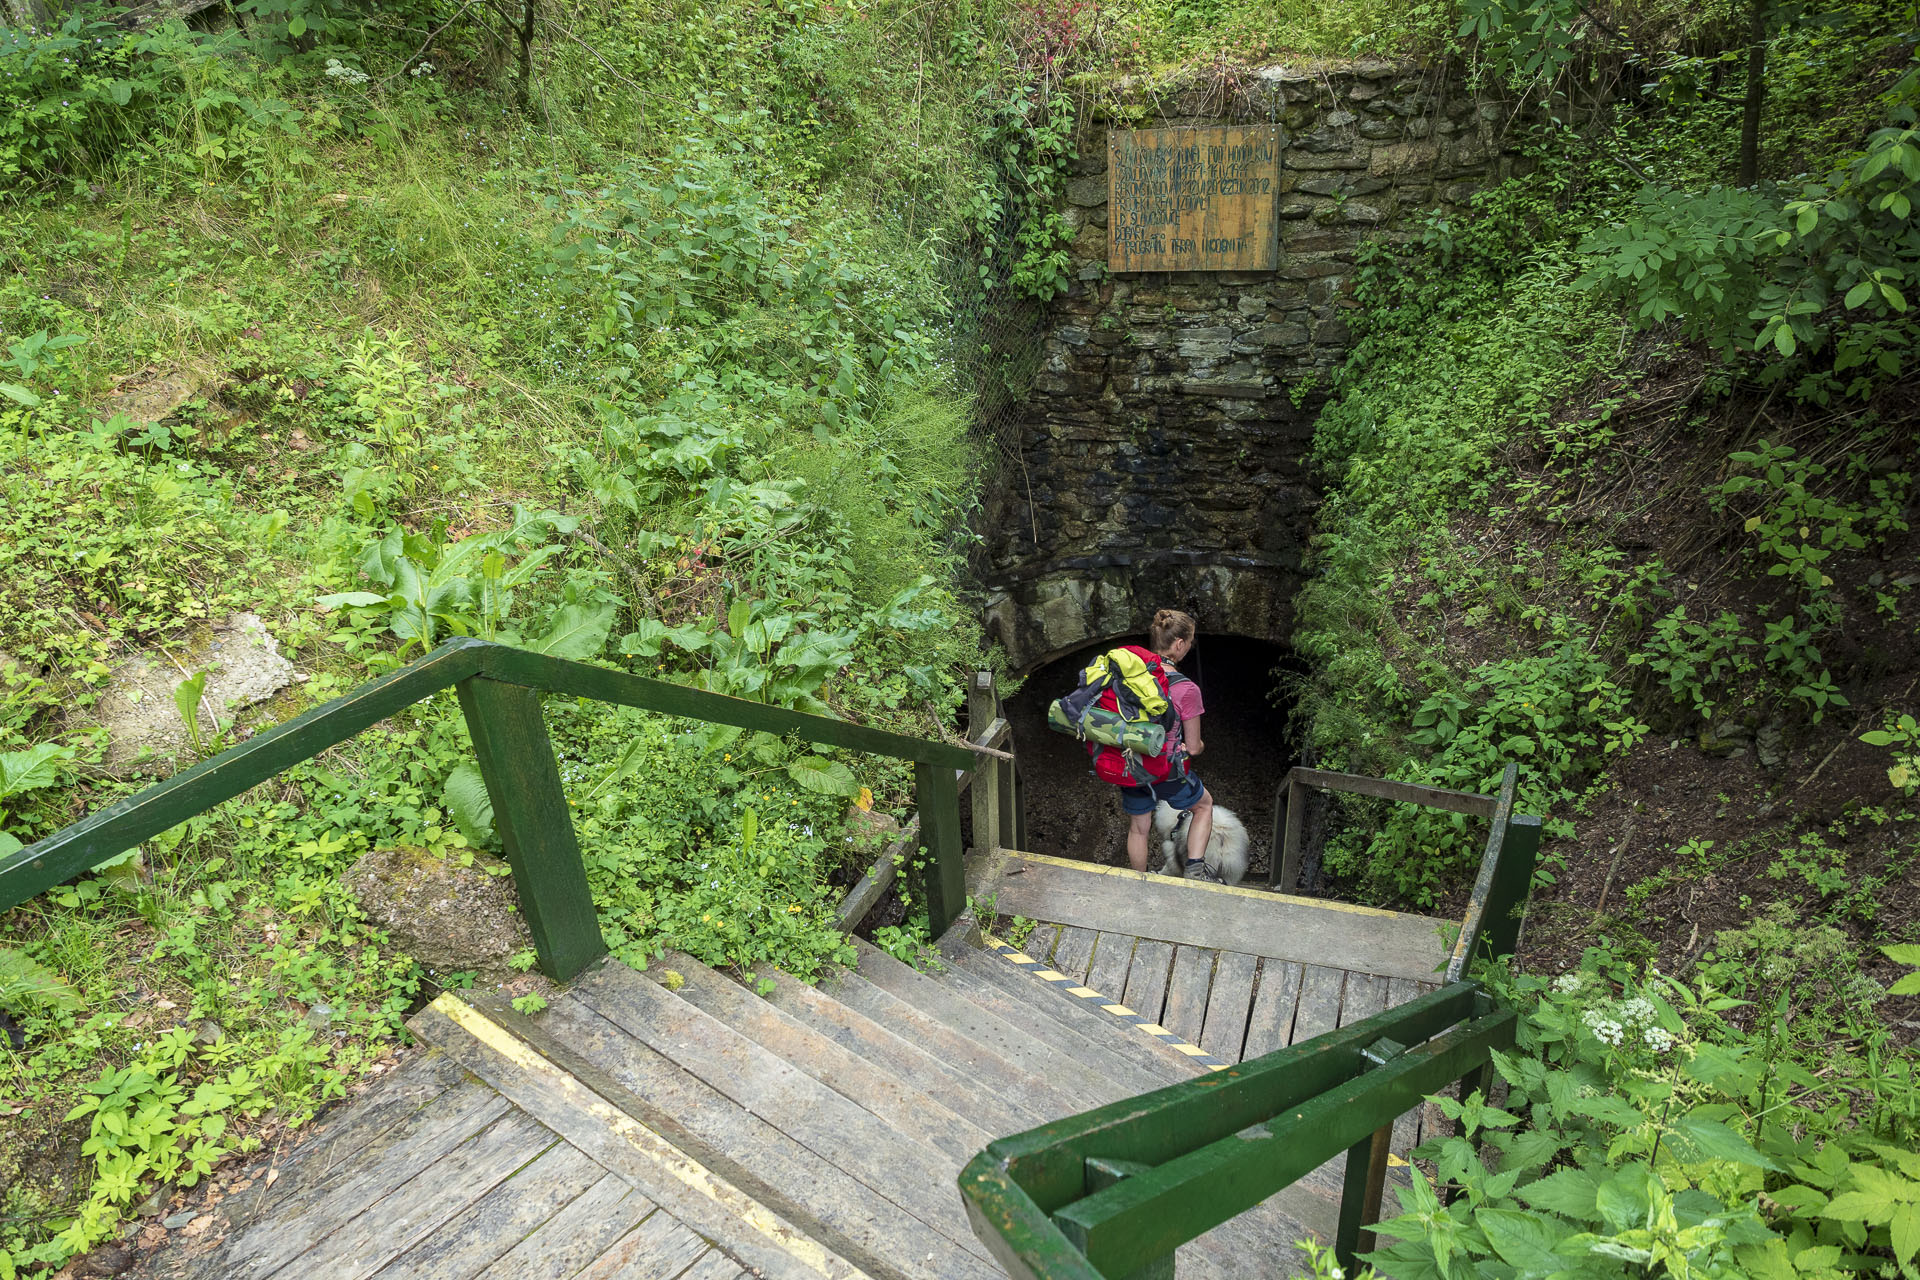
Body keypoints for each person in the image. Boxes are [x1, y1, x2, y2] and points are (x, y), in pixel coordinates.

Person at [1120, 609, 1218, 880]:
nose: (1189, 648)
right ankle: (1194, 872)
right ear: (1179, 644)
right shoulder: (1187, 689)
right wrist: (1198, 745)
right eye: (1190, 642)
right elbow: (1194, 746)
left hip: (1130, 762)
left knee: (1139, 827)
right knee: (1203, 806)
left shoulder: (1131, 676)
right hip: (1165, 769)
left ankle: (1139, 882)